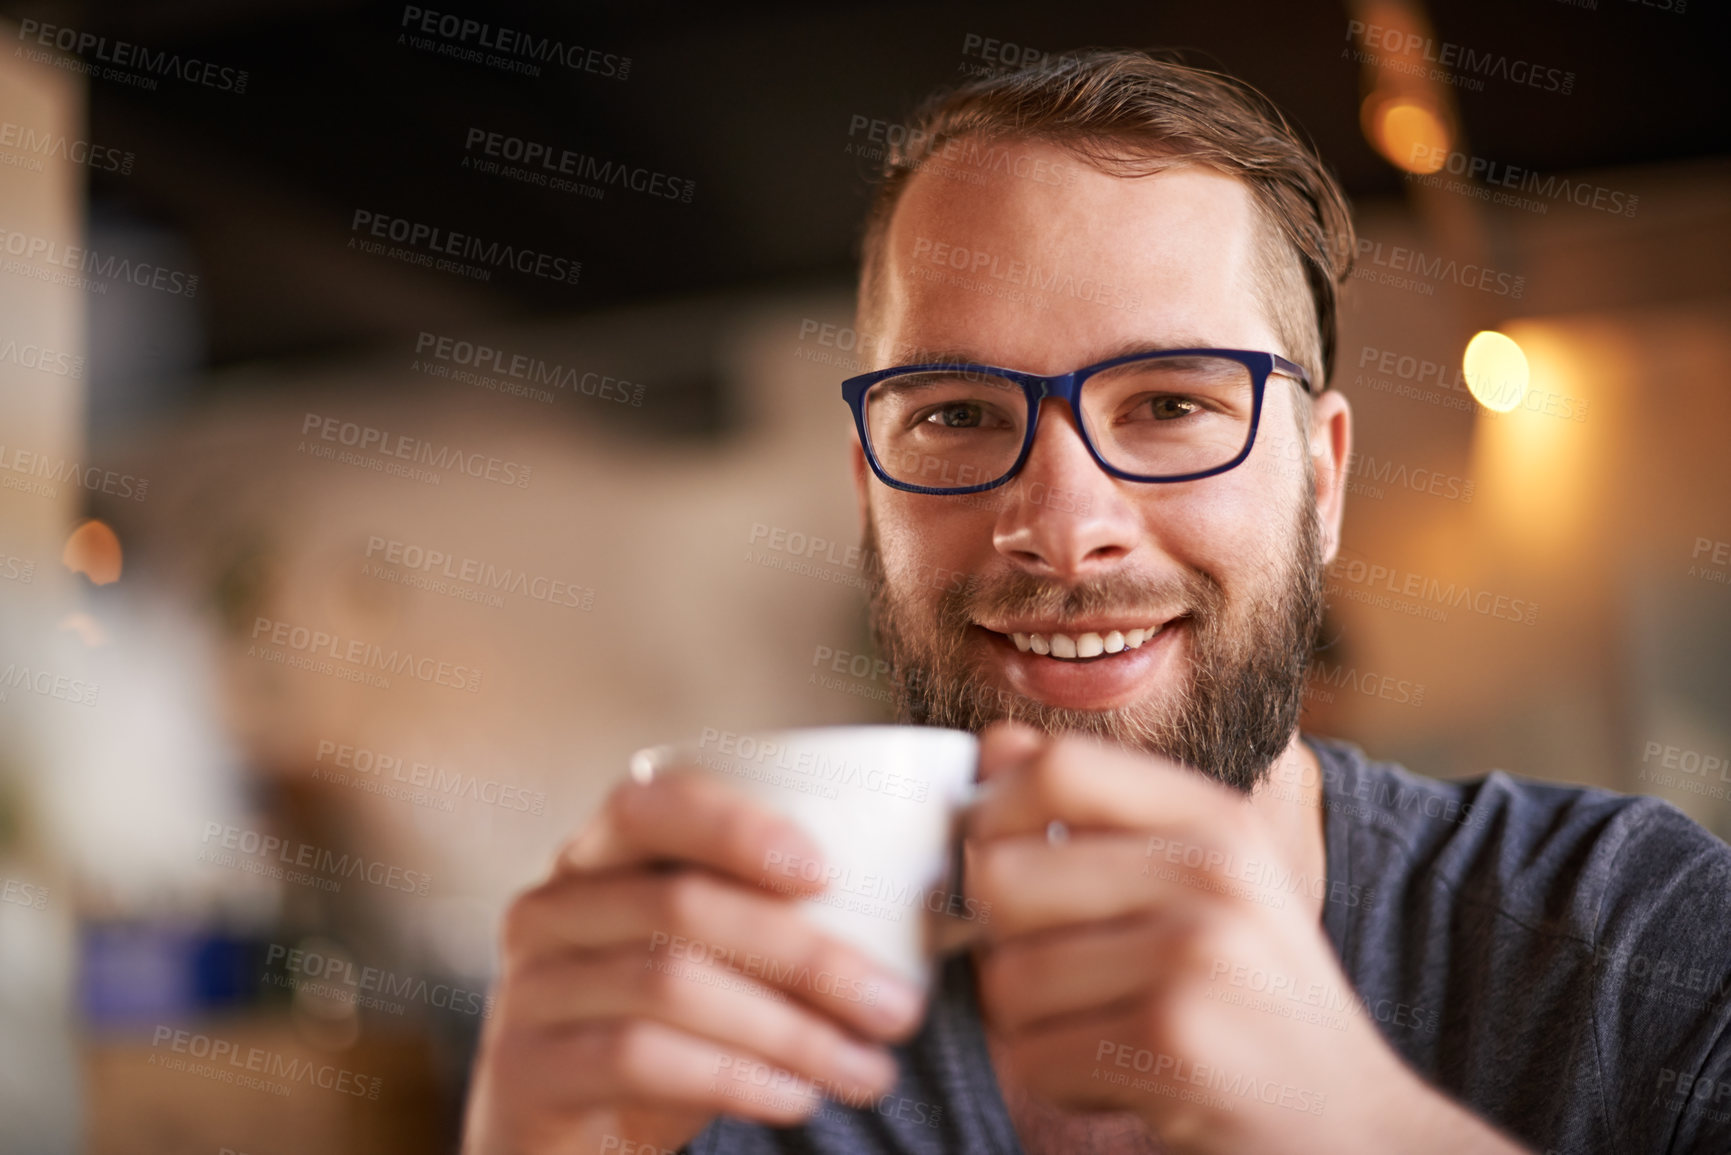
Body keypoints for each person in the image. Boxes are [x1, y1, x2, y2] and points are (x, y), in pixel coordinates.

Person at [460, 50, 1731, 1154]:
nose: (1065, 529)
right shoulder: (724, 1032)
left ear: (1324, 479)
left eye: (1172, 405)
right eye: (956, 416)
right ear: (870, 497)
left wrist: (1361, 1127)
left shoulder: (1630, 938)